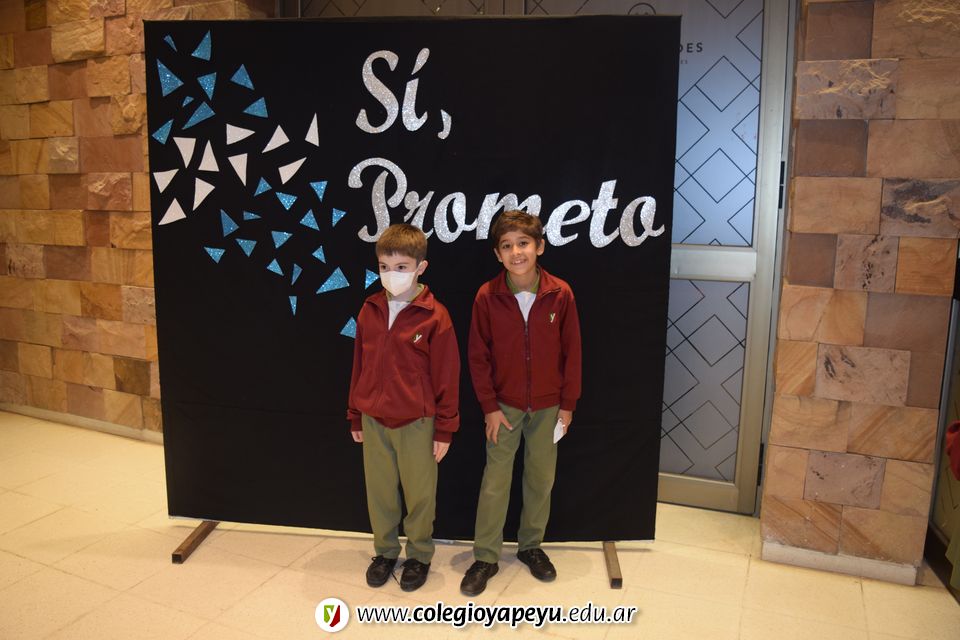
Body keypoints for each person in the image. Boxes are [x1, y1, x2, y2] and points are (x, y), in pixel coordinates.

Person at [461, 210, 582, 596]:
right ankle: (486, 556)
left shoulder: (560, 293)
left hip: (549, 408)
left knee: (541, 478)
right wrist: (489, 407)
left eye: (523, 243)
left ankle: (531, 546)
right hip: (504, 407)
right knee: (495, 482)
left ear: (539, 247)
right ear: (498, 254)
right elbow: (478, 356)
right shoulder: (487, 296)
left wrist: (567, 404)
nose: (516, 252)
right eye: (507, 245)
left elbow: (572, 353)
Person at [347, 223, 460, 592]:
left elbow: (447, 375)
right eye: (384, 266)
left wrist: (445, 427)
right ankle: (385, 551)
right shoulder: (369, 310)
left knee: (420, 494)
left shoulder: (435, 316)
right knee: (380, 491)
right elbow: (359, 366)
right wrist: (355, 413)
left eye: (401, 267)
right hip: (374, 418)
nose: (391, 274)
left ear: (420, 268)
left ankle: (419, 555)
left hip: (417, 422)